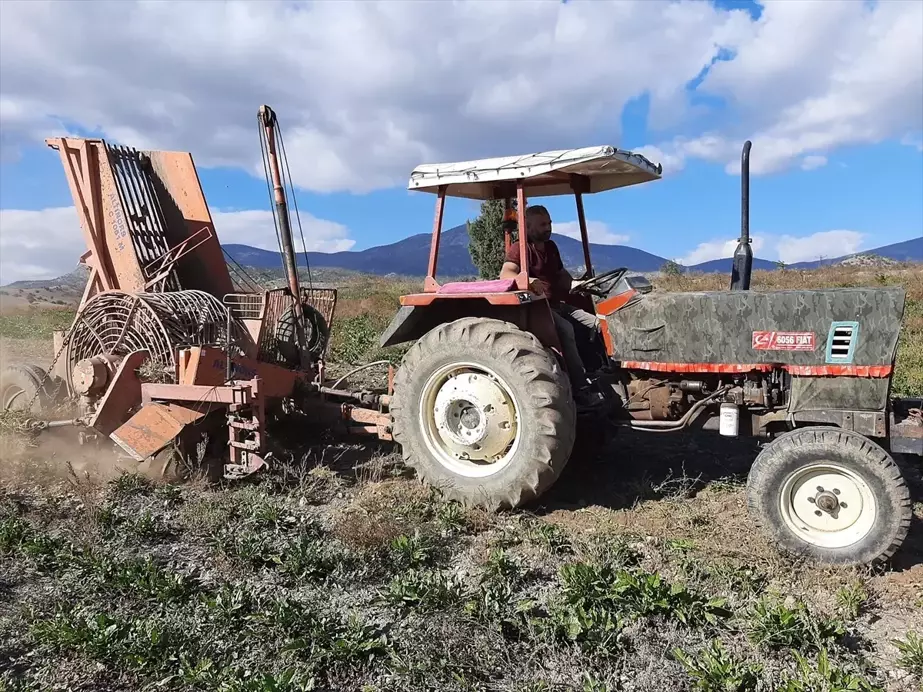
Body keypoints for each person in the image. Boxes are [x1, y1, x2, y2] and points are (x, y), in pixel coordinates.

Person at [499, 205, 601, 405]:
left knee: (598, 324)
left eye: (549, 223)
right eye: (543, 224)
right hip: (539, 308)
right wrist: (527, 282)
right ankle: (581, 389)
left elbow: (561, 275)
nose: (548, 228)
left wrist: (576, 284)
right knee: (566, 329)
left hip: (559, 304)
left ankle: (605, 372)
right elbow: (506, 274)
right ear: (527, 228)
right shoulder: (519, 248)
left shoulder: (551, 247)